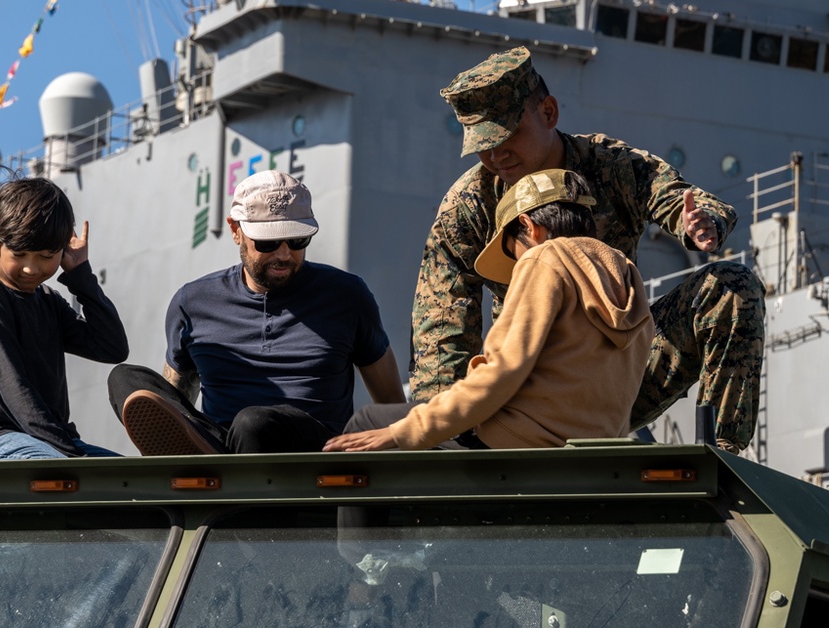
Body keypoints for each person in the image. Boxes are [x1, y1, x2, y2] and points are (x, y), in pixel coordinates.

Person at [410, 46, 765, 453]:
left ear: (548, 113)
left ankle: (721, 454)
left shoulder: (611, 166)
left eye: (508, 135)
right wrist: (436, 441)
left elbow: (682, 199)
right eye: (483, 144)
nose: (496, 155)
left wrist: (700, 221)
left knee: (731, 287)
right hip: (525, 392)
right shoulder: (469, 206)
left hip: (619, 376)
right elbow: (441, 328)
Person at [325, 169, 653, 452]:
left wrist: (405, 432)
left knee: (368, 422)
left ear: (529, 226)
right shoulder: (626, 277)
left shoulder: (544, 259)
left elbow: (500, 372)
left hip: (519, 440)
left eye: (514, 253)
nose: (517, 267)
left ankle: (355, 530)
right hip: (592, 447)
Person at [108, 170, 404, 455]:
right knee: (125, 379)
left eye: (298, 240)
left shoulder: (346, 296)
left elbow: (390, 400)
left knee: (254, 423)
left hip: (316, 451)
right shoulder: (193, 303)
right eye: (268, 242)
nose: (285, 254)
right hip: (224, 442)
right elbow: (173, 406)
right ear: (236, 231)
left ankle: (223, 470)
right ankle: (214, 461)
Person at [0, 177, 129, 460]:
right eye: (18, 254)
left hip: (49, 439)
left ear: (62, 246)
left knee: (130, 480)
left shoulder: (47, 300)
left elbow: (112, 347)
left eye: (46, 256)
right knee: (68, 473)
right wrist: (74, 457)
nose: (31, 269)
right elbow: (12, 387)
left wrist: (80, 274)